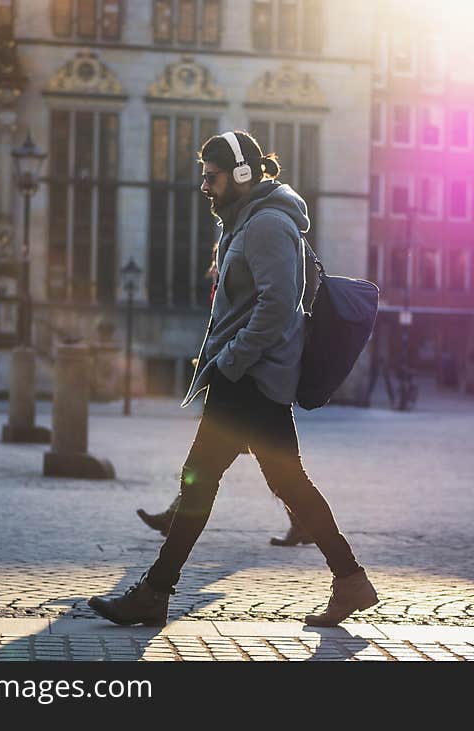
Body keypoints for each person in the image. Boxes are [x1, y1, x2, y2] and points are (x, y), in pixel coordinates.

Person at [89, 130, 378, 627]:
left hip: (250, 379)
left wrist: (231, 361)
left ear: (242, 174)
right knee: (283, 482)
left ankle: (155, 593)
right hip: (251, 377)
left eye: (212, 175)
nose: (204, 185)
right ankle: (350, 580)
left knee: (201, 478)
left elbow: (278, 304)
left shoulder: (265, 224)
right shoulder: (247, 221)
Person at [136, 242, 313, 547]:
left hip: (246, 386)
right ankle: (307, 528)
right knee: (260, 468)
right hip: (238, 383)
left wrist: (230, 361)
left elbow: (262, 317)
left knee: (225, 466)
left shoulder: (250, 267)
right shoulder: (226, 283)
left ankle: (325, 545)